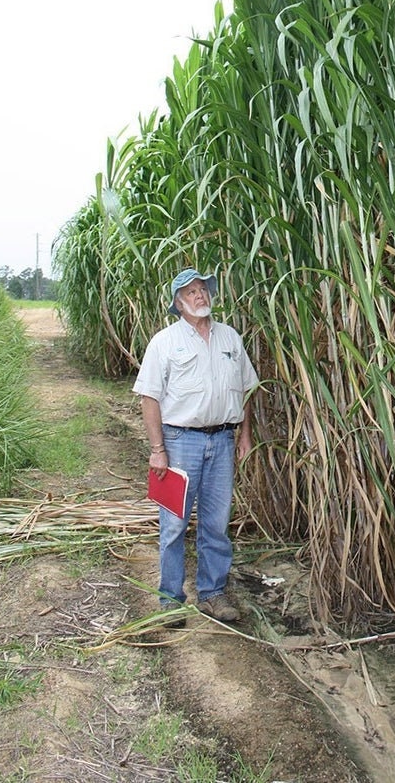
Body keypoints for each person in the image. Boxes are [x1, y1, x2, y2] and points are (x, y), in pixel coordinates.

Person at [133, 267, 258, 625]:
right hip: (179, 442)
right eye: (190, 292)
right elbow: (149, 398)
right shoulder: (165, 342)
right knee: (173, 524)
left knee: (216, 523)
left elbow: (246, 389)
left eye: (203, 289)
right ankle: (170, 599)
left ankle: (213, 594)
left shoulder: (230, 338)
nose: (199, 295)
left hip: (222, 441)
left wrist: (245, 434)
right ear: (178, 303)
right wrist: (158, 449)